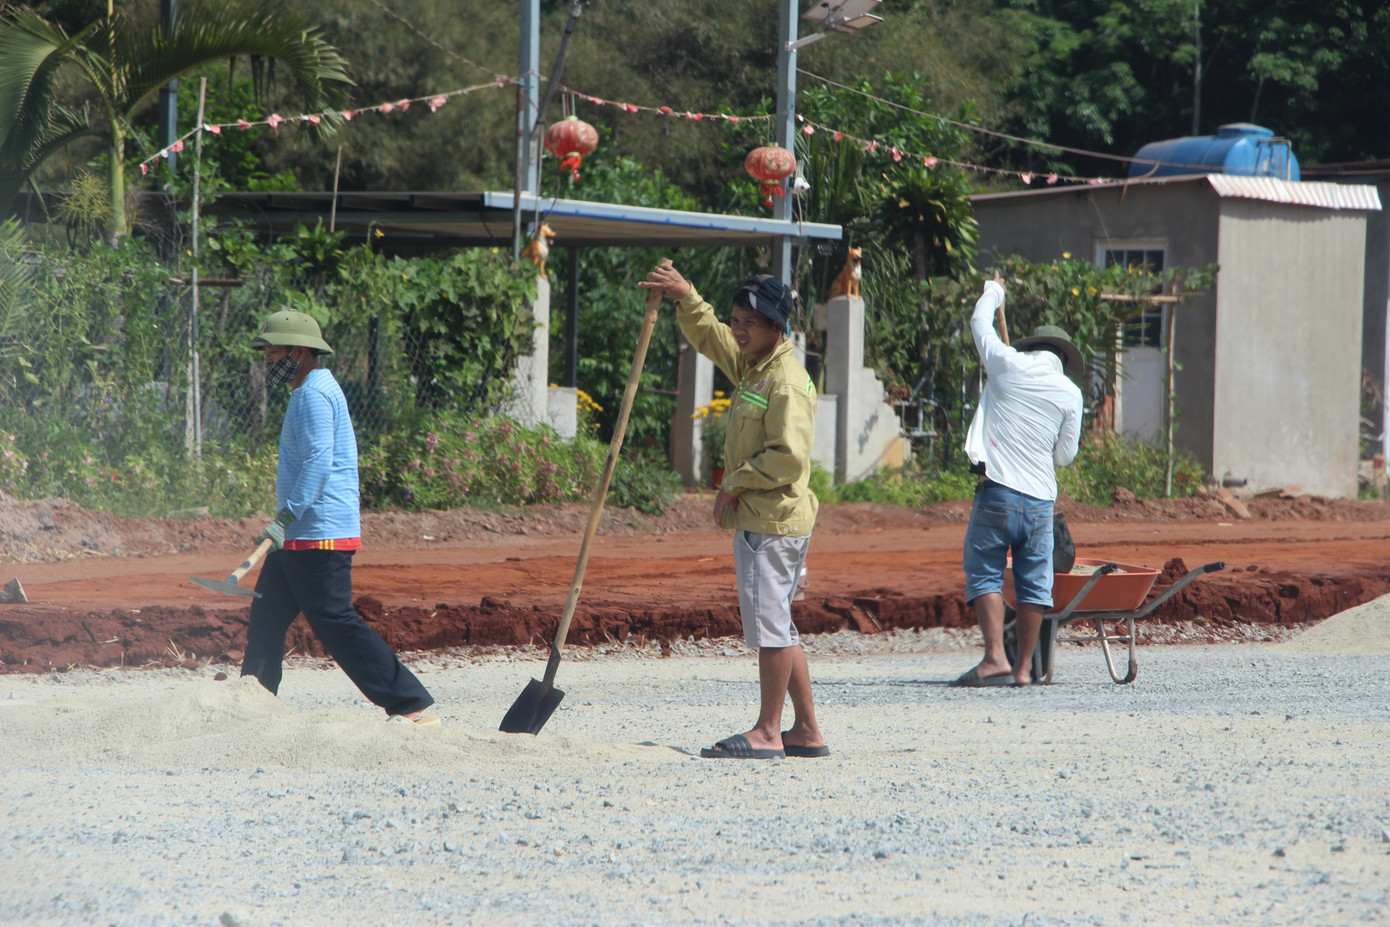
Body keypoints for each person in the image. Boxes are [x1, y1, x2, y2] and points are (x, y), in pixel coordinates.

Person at [641, 263, 828, 759]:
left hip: (771, 522)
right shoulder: (755, 365)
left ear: (776, 326)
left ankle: (768, 732)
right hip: (771, 520)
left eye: (750, 321)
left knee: (771, 628)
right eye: (737, 319)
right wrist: (686, 294)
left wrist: (733, 485)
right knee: (780, 624)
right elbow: (711, 338)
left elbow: (787, 456)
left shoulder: (784, 381)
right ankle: (807, 730)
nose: (739, 329)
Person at [241, 309, 439, 725]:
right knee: (266, 617)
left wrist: (285, 516)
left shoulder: (313, 393)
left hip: (319, 534)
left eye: (273, 353)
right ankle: (251, 705)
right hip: (300, 534)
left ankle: (410, 704)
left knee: (335, 622)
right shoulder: (310, 389)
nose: (267, 362)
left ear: (298, 352)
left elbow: (318, 462)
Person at [954, 272, 1084, 687]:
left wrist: (995, 291)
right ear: (1062, 359)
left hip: (999, 494)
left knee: (986, 573)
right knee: (1035, 584)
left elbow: (979, 323)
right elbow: (1065, 456)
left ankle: (995, 658)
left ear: (1033, 349)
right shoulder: (1070, 393)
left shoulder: (1007, 363)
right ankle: (1025, 669)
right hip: (1040, 502)